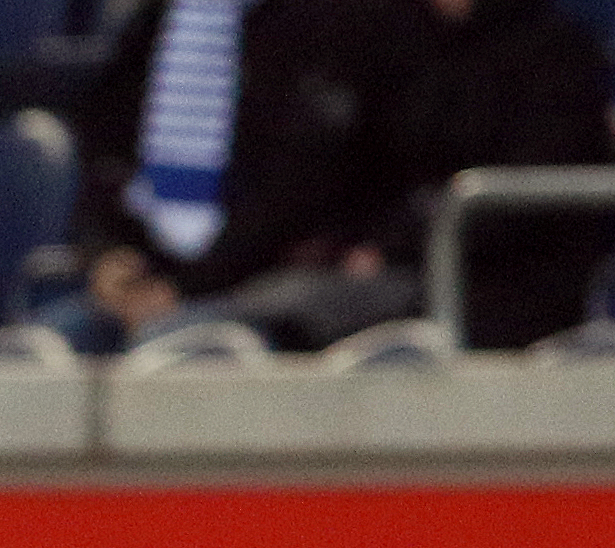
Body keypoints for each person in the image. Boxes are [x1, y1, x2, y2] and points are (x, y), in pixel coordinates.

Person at [50, 0, 429, 353]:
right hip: (153, 269)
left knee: (170, 346)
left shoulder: (333, 22)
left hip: (270, 276)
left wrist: (181, 289)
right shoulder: (161, 17)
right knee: (57, 340)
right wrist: (108, 253)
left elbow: (294, 192)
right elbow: (104, 149)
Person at [375, 0, 615, 350]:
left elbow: (530, 191)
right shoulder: (404, 42)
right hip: (415, 268)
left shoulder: (552, 51)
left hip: (521, 286)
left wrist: (394, 247)